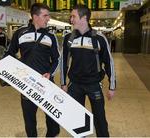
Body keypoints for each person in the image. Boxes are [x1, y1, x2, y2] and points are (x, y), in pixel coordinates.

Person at [3, 3, 60, 137]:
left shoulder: (51, 36)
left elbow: (57, 59)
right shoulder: (20, 33)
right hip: (27, 83)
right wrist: (10, 72)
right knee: (29, 118)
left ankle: (51, 135)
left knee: (52, 116)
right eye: (45, 15)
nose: (48, 18)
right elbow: (9, 53)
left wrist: (50, 73)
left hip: (47, 83)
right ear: (35, 16)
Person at [60, 4, 116, 137]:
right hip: (75, 85)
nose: (71, 19)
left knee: (99, 118)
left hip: (94, 84)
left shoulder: (99, 38)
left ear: (84, 18)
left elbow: (109, 63)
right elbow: (64, 62)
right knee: (77, 118)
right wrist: (63, 83)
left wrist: (112, 86)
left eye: (73, 16)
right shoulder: (69, 38)